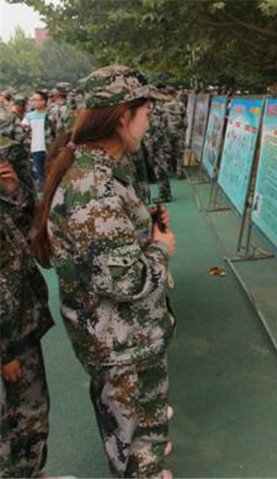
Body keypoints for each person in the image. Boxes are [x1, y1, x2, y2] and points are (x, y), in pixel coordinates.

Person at [30, 65, 176, 479]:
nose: (149, 123)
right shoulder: (93, 186)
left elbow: (105, 246)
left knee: (135, 436)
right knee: (136, 445)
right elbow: (125, 280)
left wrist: (143, 227)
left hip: (120, 337)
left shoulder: (95, 171)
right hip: (121, 342)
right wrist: (161, 248)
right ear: (122, 116)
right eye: (146, 113)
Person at [0, 109, 55, 478]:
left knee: (31, 414)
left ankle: (30, 473)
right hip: (8, 337)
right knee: (20, 418)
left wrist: (14, 191)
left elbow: (28, 234)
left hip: (21, 322)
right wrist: (6, 351)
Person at [22, 91, 56, 188]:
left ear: (43, 101)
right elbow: (23, 128)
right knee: (40, 175)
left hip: (51, 148)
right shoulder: (29, 116)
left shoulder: (51, 115)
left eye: (36, 100)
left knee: (52, 172)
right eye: (32, 100)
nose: (33, 102)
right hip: (36, 148)